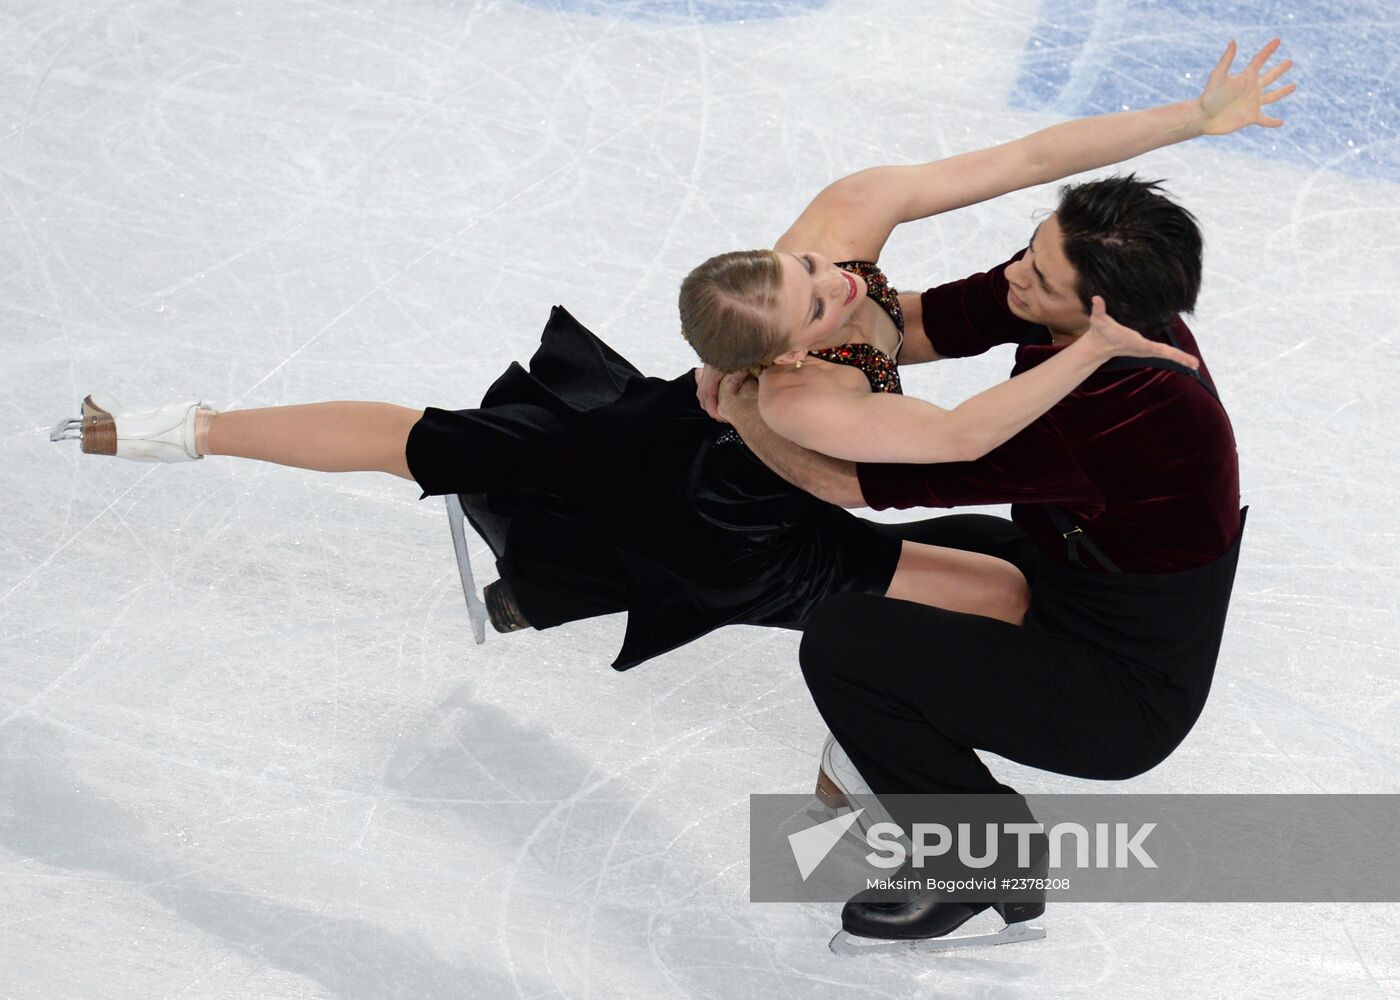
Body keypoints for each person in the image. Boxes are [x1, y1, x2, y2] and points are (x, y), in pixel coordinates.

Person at [51, 42, 1290, 679]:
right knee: (429, 445)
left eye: (804, 260)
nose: (841, 273)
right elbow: (956, 444)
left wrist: (1190, 119)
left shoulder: (838, 230)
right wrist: (174, 426)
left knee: (514, 463)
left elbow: (1023, 160)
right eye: (819, 288)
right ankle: (176, 433)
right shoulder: (807, 402)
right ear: (791, 348)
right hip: (748, 520)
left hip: (682, 424)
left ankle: (544, 573)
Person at [714, 172, 1256, 952]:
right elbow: (923, 322)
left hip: (1121, 695)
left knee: (845, 642)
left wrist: (746, 406)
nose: (1014, 276)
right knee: (944, 548)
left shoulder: (1122, 411)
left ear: (1101, 310)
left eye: (1037, 276)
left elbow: (856, 483)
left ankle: (990, 862)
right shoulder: (1084, 289)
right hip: (1067, 585)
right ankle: (873, 771)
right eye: (1031, 249)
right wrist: (778, 341)